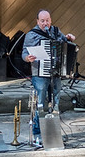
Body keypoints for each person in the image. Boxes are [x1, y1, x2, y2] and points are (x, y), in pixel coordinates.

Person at [22, 10, 76, 142]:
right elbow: (24, 52)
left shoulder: (56, 32)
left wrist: (69, 38)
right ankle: (38, 134)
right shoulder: (32, 35)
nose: (45, 23)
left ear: (50, 20)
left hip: (56, 73)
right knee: (40, 103)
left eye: (47, 20)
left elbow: (65, 43)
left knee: (56, 102)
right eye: (42, 21)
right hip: (39, 73)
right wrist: (27, 58)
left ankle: (53, 134)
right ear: (37, 21)